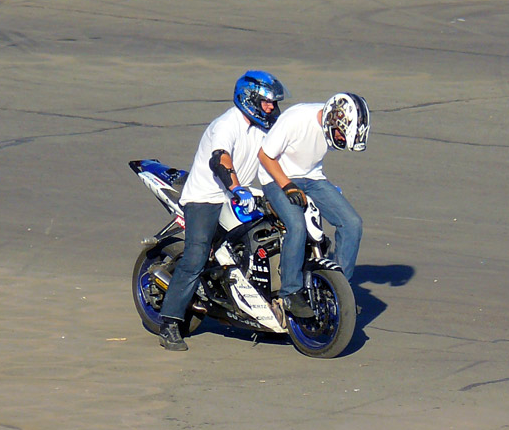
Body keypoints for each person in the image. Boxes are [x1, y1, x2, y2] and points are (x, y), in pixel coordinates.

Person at [158, 71, 290, 351]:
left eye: (273, 103)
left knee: (269, 240)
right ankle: (169, 321)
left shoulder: (265, 126)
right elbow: (221, 158)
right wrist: (236, 186)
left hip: (239, 194)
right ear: (250, 99)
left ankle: (264, 313)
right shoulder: (227, 124)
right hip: (207, 197)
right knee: (196, 256)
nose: (271, 107)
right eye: (266, 102)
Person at [258, 92, 370, 319]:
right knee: (297, 226)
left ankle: (339, 288)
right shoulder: (296, 119)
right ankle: (290, 292)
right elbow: (265, 156)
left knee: (352, 223)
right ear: (332, 119)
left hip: (313, 178)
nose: (337, 139)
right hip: (276, 178)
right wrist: (287, 185)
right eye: (338, 134)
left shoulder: (336, 124)